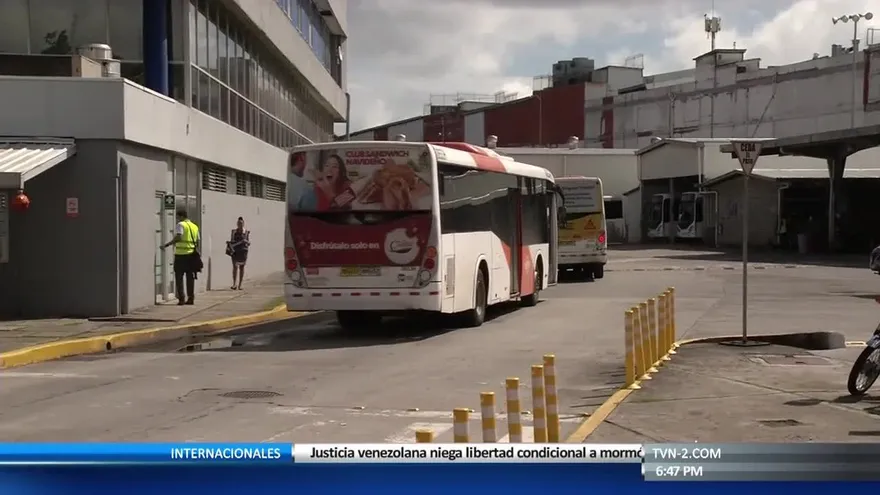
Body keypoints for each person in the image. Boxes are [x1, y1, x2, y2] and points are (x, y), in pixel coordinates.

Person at [163, 208, 201, 305]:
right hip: (191, 256)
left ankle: (181, 299)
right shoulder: (195, 226)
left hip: (181, 255)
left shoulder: (181, 225)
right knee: (190, 278)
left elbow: (179, 237)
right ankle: (191, 298)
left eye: (178, 217)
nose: (177, 219)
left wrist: (167, 244)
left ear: (181, 216)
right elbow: (197, 241)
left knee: (179, 278)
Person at [228, 216, 250, 290]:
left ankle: (240, 285)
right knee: (235, 267)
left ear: (243, 224)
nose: (240, 224)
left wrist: (245, 241)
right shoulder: (234, 232)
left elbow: (249, 242)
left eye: (241, 223)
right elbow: (231, 240)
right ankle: (234, 284)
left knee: (242, 267)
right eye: (238, 223)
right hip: (235, 252)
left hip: (243, 252)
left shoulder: (246, 232)